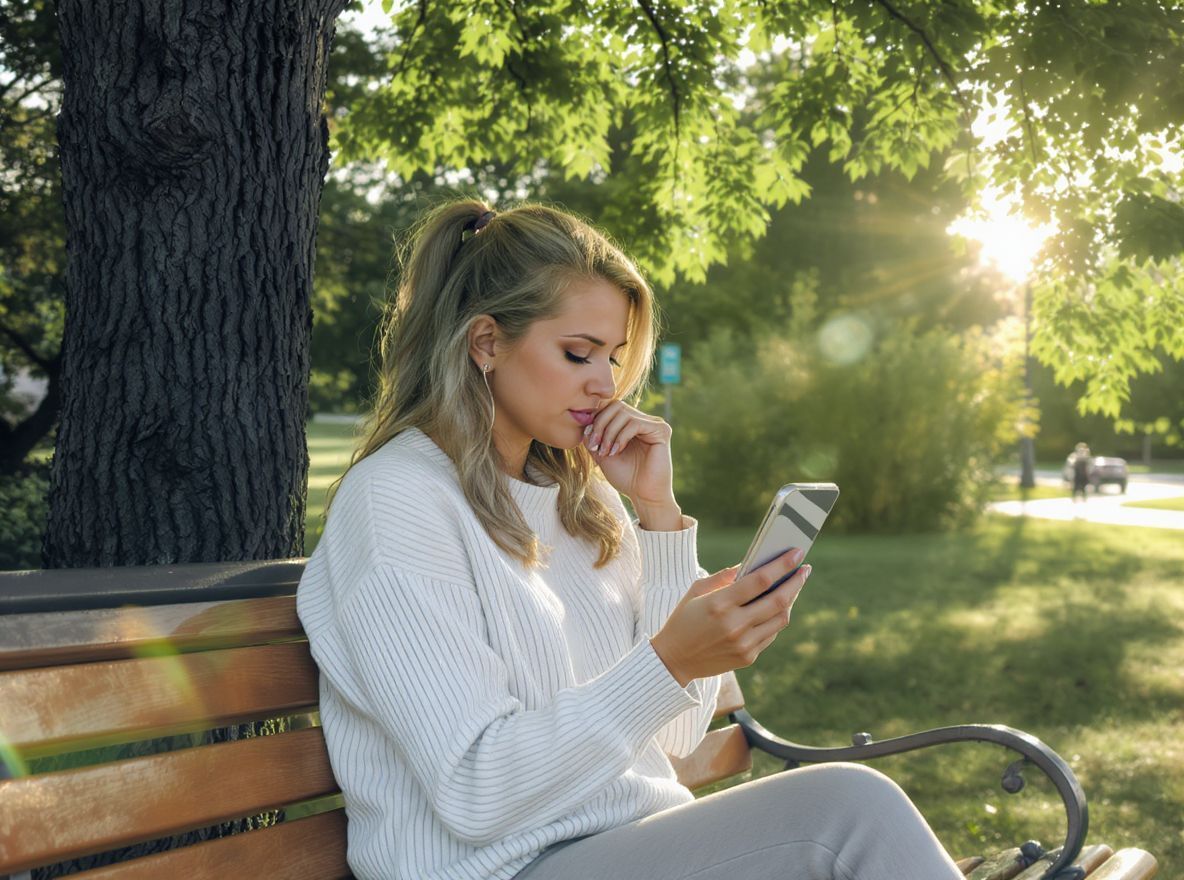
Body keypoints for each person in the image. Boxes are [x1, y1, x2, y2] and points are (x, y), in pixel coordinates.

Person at [296, 200, 966, 880]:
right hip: (501, 868)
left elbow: (674, 736)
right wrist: (672, 660)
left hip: (628, 844)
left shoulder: (583, 500)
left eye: (614, 357)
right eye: (578, 353)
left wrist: (659, 515)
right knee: (847, 811)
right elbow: (477, 790)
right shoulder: (397, 501)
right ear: (487, 342)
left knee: (849, 811)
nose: (604, 383)